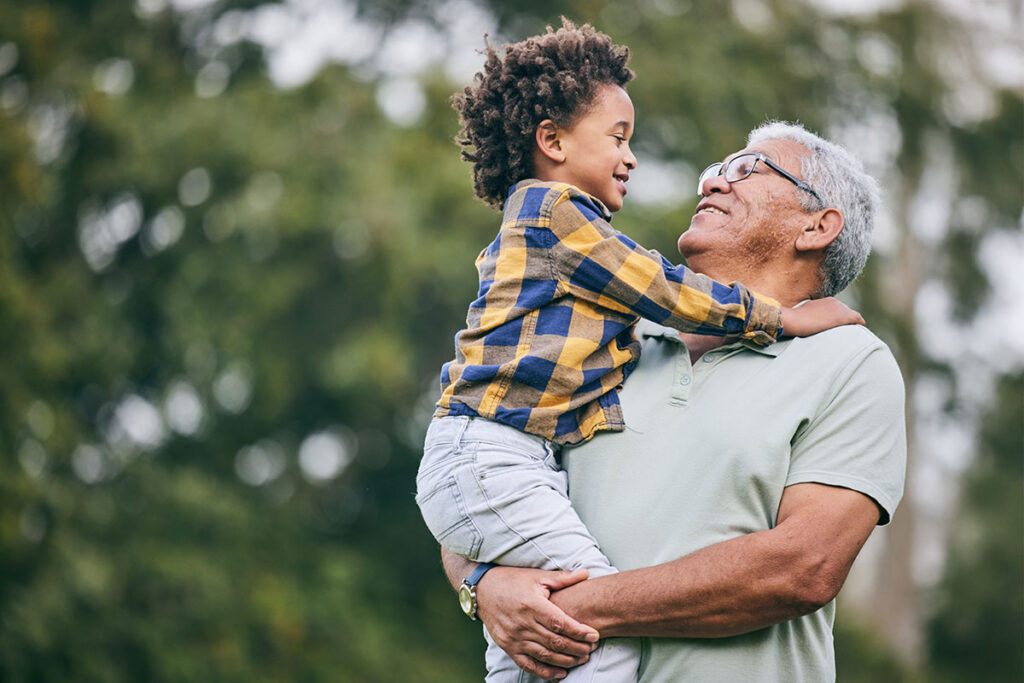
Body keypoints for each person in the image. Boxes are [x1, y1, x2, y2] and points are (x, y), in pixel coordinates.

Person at [417, 20, 864, 683]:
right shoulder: (565, 225)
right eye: (618, 138)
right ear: (552, 141)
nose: (631, 159)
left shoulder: (852, 364)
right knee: (601, 650)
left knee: (542, 650)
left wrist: (528, 601)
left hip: (486, 455)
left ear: (818, 225)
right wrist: (484, 588)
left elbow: (805, 569)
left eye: (747, 169)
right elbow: (660, 286)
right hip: (492, 452)